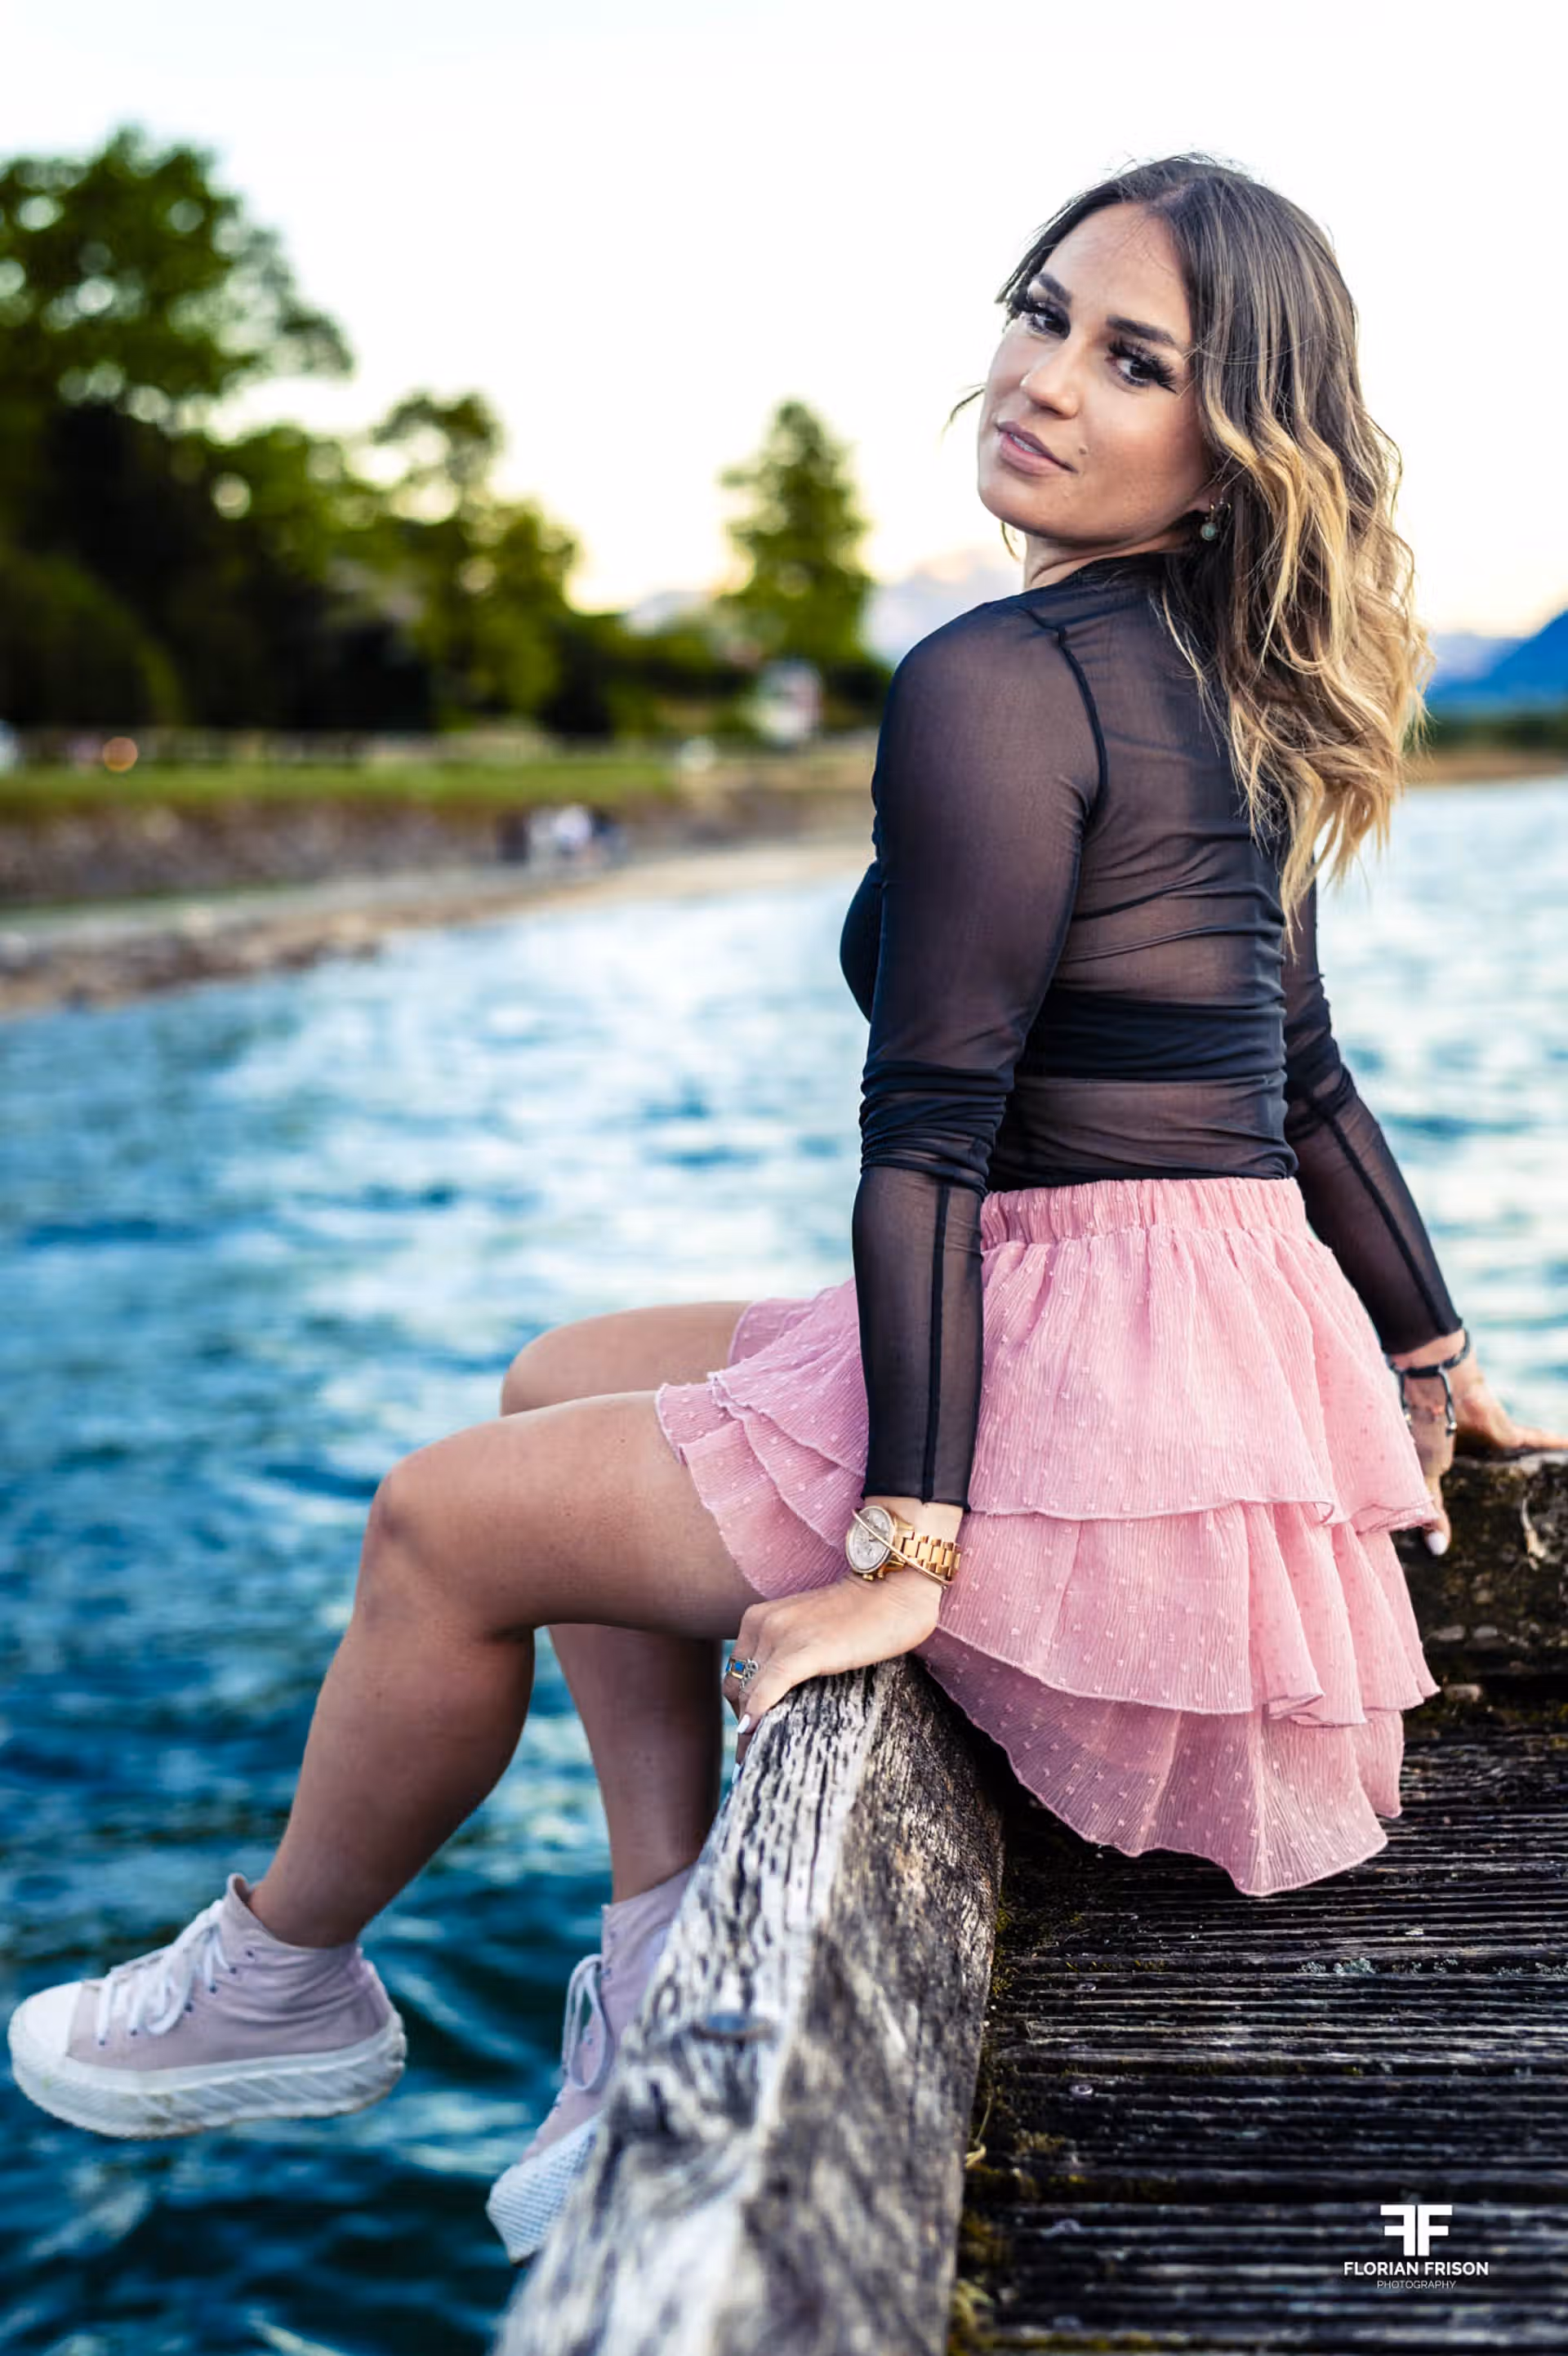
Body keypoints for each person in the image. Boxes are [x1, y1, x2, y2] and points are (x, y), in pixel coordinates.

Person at [9, 155, 1564, 2273]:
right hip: (1188, 1340)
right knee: (553, 1376)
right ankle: (661, 1938)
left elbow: (934, 1130)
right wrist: (1438, 1362)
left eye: (1135, 362)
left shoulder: (1001, 676)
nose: (1044, 379)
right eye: (1043, 313)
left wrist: (908, 1554)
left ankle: (284, 1977)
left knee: (437, 1526)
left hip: (1073, 1373)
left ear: (1232, 449)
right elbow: (1304, 1083)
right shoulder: (1236, 678)